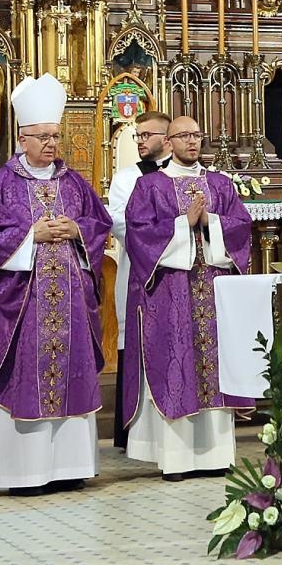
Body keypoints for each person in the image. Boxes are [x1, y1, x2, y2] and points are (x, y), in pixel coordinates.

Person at [0, 74, 112, 491]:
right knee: (25, 379)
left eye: (55, 135)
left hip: (71, 306)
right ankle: (24, 473)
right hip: (20, 307)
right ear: (21, 139)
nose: (51, 143)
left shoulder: (74, 182)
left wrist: (76, 230)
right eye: (42, 136)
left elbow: (99, 224)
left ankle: (70, 468)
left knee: (71, 377)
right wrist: (31, 235)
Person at [122, 116, 253, 479]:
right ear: (168, 141)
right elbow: (138, 235)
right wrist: (183, 224)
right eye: (183, 135)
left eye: (197, 134)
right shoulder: (149, 187)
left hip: (213, 293)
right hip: (170, 295)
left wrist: (209, 223)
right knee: (175, 364)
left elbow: (242, 229)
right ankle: (176, 459)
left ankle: (215, 456)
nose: (192, 141)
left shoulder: (221, 185)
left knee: (214, 369)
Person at [104, 108, 171, 449]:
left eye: (147, 135)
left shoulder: (185, 174)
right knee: (135, 338)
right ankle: (132, 427)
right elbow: (117, 219)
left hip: (179, 273)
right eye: (138, 136)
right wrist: (164, 233)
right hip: (139, 269)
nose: (141, 142)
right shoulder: (127, 177)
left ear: (167, 137)